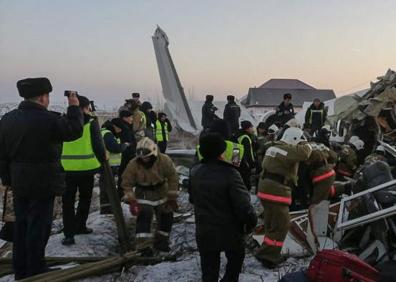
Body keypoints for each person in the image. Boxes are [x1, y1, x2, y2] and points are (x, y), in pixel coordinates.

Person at [0, 77, 83, 279]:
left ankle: (21, 268)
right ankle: (35, 269)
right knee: (39, 226)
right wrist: (74, 108)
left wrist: (7, 178)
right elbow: (74, 131)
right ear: (43, 97)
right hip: (43, 181)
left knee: (21, 225)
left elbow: (1, 153)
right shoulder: (49, 120)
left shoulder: (7, 119)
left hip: (19, 180)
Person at [189, 133, 257, 282]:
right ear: (221, 151)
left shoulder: (194, 172)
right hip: (230, 230)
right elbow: (243, 205)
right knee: (234, 264)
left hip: (204, 230)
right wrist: (251, 220)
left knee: (208, 271)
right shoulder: (231, 173)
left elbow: (192, 199)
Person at [255, 127, 312, 268]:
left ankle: (265, 251)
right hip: (276, 190)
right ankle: (269, 257)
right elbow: (305, 153)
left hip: (265, 188)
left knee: (271, 224)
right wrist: (306, 143)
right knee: (282, 224)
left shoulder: (273, 148)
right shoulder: (287, 150)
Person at [61, 95, 106, 245]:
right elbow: (98, 145)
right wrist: (103, 160)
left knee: (67, 202)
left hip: (66, 169)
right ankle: (80, 226)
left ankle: (68, 234)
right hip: (86, 169)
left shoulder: (63, 120)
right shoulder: (91, 123)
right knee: (85, 199)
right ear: (85, 108)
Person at [121, 137, 178, 255]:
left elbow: (173, 177)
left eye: (146, 156)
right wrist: (132, 200)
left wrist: (172, 198)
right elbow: (126, 183)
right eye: (141, 156)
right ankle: (143, 247)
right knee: (144, 216)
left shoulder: (164, 160)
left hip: (162, 191)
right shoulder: (133, 164)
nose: (144, 159)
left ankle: (162, 242)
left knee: (167, 215)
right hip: (143, 193)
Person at [99, 118, 130, 214]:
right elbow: (114, 148)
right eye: (119, 129)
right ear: (115, 127)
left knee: (109, 188)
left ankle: (108, 208)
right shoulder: (107, 134)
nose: (120, 132)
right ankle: (107, 210)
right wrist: (124, 146)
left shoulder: (108, 133)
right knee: (108, 188)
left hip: (110, 165)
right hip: (108, 166)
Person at [237, 121, 256, 191]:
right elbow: (248, 153)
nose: (252, 129)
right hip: (245, 164)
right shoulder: (245, 138)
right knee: (246, 184)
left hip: (238, 162)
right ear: (247, 129)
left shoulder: (239, 135)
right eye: (251, 127)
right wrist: (252, 164)